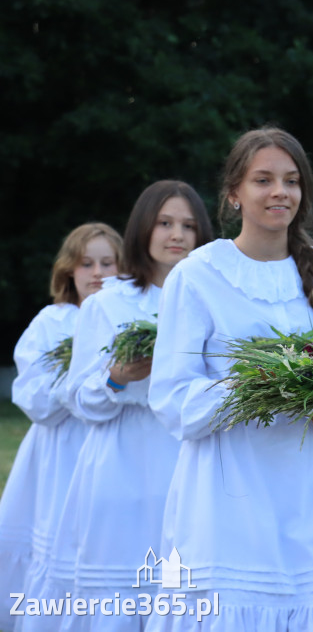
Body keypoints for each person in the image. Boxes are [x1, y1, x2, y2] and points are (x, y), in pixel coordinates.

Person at [147, 128, 313, 630]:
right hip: (223, 495)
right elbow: (171, 398)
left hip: (303, 488)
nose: (279, 192)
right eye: (263, 179)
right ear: (233, 193)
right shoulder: (197, 275)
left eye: (291, 181)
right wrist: (254, 386)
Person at [24, 181, 212, 632]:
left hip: (190, 456)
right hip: (123, 460)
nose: (177, 235)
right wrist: (117, 377)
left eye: (188, 225)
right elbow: (78, 398)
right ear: (142, 227)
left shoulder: (211, 298)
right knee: (121, 585)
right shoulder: (109, 302)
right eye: (165, 222)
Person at [0, 223, 122, 631]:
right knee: (58, 541)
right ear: (68, 270)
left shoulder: (128, 321)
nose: (97, 273)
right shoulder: (54, 322)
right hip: (61, 450)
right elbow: (34, 397)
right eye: (87, 263)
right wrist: (80, 379)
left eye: (108, 263)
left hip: (110, 448)